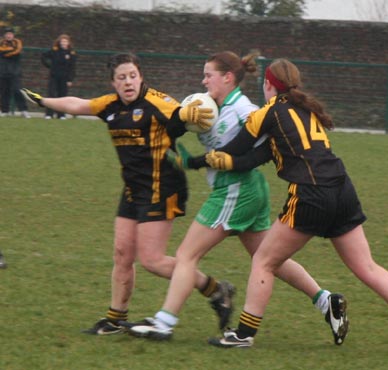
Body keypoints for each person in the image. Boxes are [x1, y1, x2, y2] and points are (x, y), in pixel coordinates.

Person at [204, 58, 388, 356]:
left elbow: (236, 149)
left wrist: (196, 135)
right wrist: (222, 160)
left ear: (268, 85)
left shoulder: (267, 112)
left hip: (311, 194)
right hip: (343, 189)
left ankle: (244, 334)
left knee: (263, 260)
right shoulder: (306, 109)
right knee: (367, 267)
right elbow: (256, 156)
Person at [126, 51, 349, 345]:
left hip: (237, 189)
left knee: (186, 256)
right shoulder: (204, 102)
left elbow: (264, 149)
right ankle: (325, 301)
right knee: (269, 259)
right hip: (246, 191)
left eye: (208, 75)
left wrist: (199, 162)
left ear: (227, 78)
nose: (203, 80)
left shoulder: (244, 109)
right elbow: (171, 129)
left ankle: (164, 323)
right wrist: (182, 116)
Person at [20, 52, 234, 335]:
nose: (128, 82)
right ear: (113, 83)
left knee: (152, 261)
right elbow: (78, 104)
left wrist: (190, 115)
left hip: (163, 185)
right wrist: (43, 101)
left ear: (141, 77)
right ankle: (115, 319)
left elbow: (182, 113)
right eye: (122, 78)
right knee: (122, 253)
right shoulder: (109, 105)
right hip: (133, 187)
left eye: (133, 75)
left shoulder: (158, 101)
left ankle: (217, 290)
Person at [41, 34, 77, 119]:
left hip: (64, 78)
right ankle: (49, 114)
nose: (64, 43)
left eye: (65, 41)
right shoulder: (55, 50)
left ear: (68, 43)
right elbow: (44, 56)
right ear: (59, 42)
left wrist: (70, 79)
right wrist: (49, 65)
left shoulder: (71, 53)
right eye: (62, 41)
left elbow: (72, 67)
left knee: (63, 96)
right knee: (51, 94)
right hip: (54, 76)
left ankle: (61, 115)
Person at [0, 26, 30, 118]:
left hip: (15, 72)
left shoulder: (17, 42)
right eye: (7, 34)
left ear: (13, 35)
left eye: (10, 34)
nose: (9, 36)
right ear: (5, 35)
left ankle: (23, 110)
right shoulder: (1, 43)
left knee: (17, 90)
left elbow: (17, 52)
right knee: (4, 92)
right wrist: (8, 52)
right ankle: (5, 111)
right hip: (3, 71)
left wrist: (6, 53)